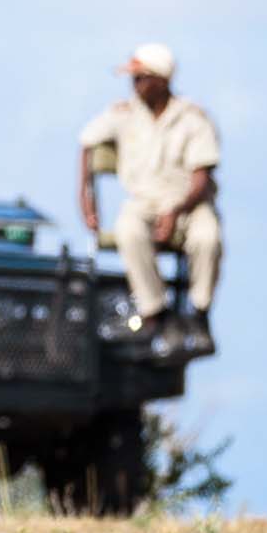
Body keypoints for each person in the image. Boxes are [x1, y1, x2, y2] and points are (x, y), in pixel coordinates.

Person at [78, 42, 221, 357]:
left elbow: (202, 178)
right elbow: (86, 141)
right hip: (144, 201)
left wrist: (175, 211)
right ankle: (155, 312)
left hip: (189, 203)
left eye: (142, 78)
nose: (135, 85)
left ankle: (199, 315)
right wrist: (85, 198)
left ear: (162, 81)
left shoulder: (193, 118)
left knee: (207, 237)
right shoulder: (124, 114)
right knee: (128, 228)